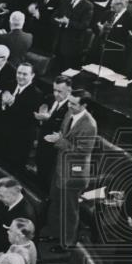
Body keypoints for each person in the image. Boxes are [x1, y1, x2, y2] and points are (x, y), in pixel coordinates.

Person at [44, 89, 97, 250]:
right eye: (69, 102)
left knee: (69, 211)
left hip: (74, 174)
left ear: (84, 105)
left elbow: (82, 151)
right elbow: (63, 131)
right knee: (56, 203)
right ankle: (54, 232)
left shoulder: (89, 125)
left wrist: (59, 141)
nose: (69, 105)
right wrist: (58, 136)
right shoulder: (69, 112)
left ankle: (66, 243)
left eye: (73, 104)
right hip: (60, 167)